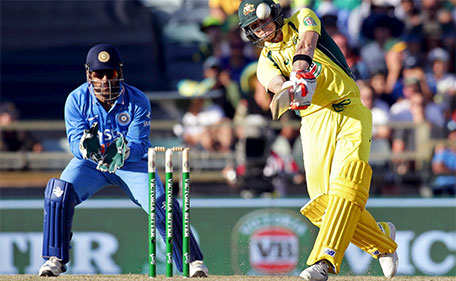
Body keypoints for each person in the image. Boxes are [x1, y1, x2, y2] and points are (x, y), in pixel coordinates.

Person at [237, 1, 398, 280]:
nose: (262, 30)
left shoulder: (303, 18)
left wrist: (301, 71)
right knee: (321, 205)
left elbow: (306, 46)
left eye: (263, 22)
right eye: (254, 27)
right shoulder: (265, 62)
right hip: (313, 121)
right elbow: (275, 86)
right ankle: (381, 239)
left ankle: (323, 262)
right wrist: (289, 87)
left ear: (275, 15)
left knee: (348, 184)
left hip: (348, 109)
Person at [38, 44, 208, 277]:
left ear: (120, 72)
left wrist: (123, 152)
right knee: (58, 193)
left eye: (111, 73)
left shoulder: (137, 101)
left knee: (162, 202)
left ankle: (191, 262)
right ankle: (55, 258)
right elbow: (75, 143)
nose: (106, 80)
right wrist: (87, 149)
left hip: (130, 164)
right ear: (89, 75)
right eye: (99, 74)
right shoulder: (76, 100)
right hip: (92, 165)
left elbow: (139, 145)